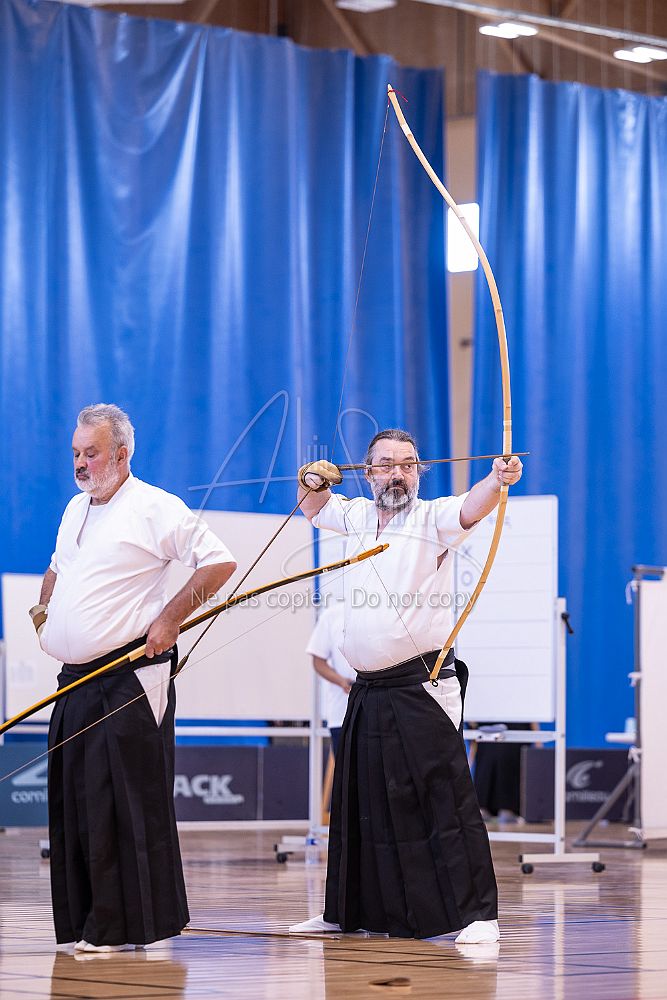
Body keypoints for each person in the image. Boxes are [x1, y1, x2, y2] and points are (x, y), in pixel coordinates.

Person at [289, 428, 522, 943]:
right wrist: (309, 478)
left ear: (419, 471)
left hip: (421, 685)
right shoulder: (355, 516)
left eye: (409, 464)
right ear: (368, 471)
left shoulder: (432, 519)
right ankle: (347, 913)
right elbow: (313, 505)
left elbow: (472, 507)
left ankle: (478, 915)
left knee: (443, 798)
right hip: (367, 689)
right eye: (387, 464)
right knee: (360, 801)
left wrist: (497, 479)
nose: (398, 473)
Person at [29, 404, 237, 953]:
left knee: (121, 800)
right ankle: (86, 922)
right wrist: (44, 615)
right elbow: (58, 566)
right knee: (77, 799)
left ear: (121, 454)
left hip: (128, 676)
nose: (80, 463)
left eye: (91, 453)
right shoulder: (76, 508)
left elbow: (218, 562)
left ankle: (125, 928)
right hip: (75, 681)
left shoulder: (154, 506)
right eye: (76, 453)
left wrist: (170, 619)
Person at [306, 603, 356, 757]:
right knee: (346, 769)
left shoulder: (382, 612)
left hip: (379, 714)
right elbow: (318, 661)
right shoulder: (332, 615)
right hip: (341, 715)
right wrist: (341, 681)